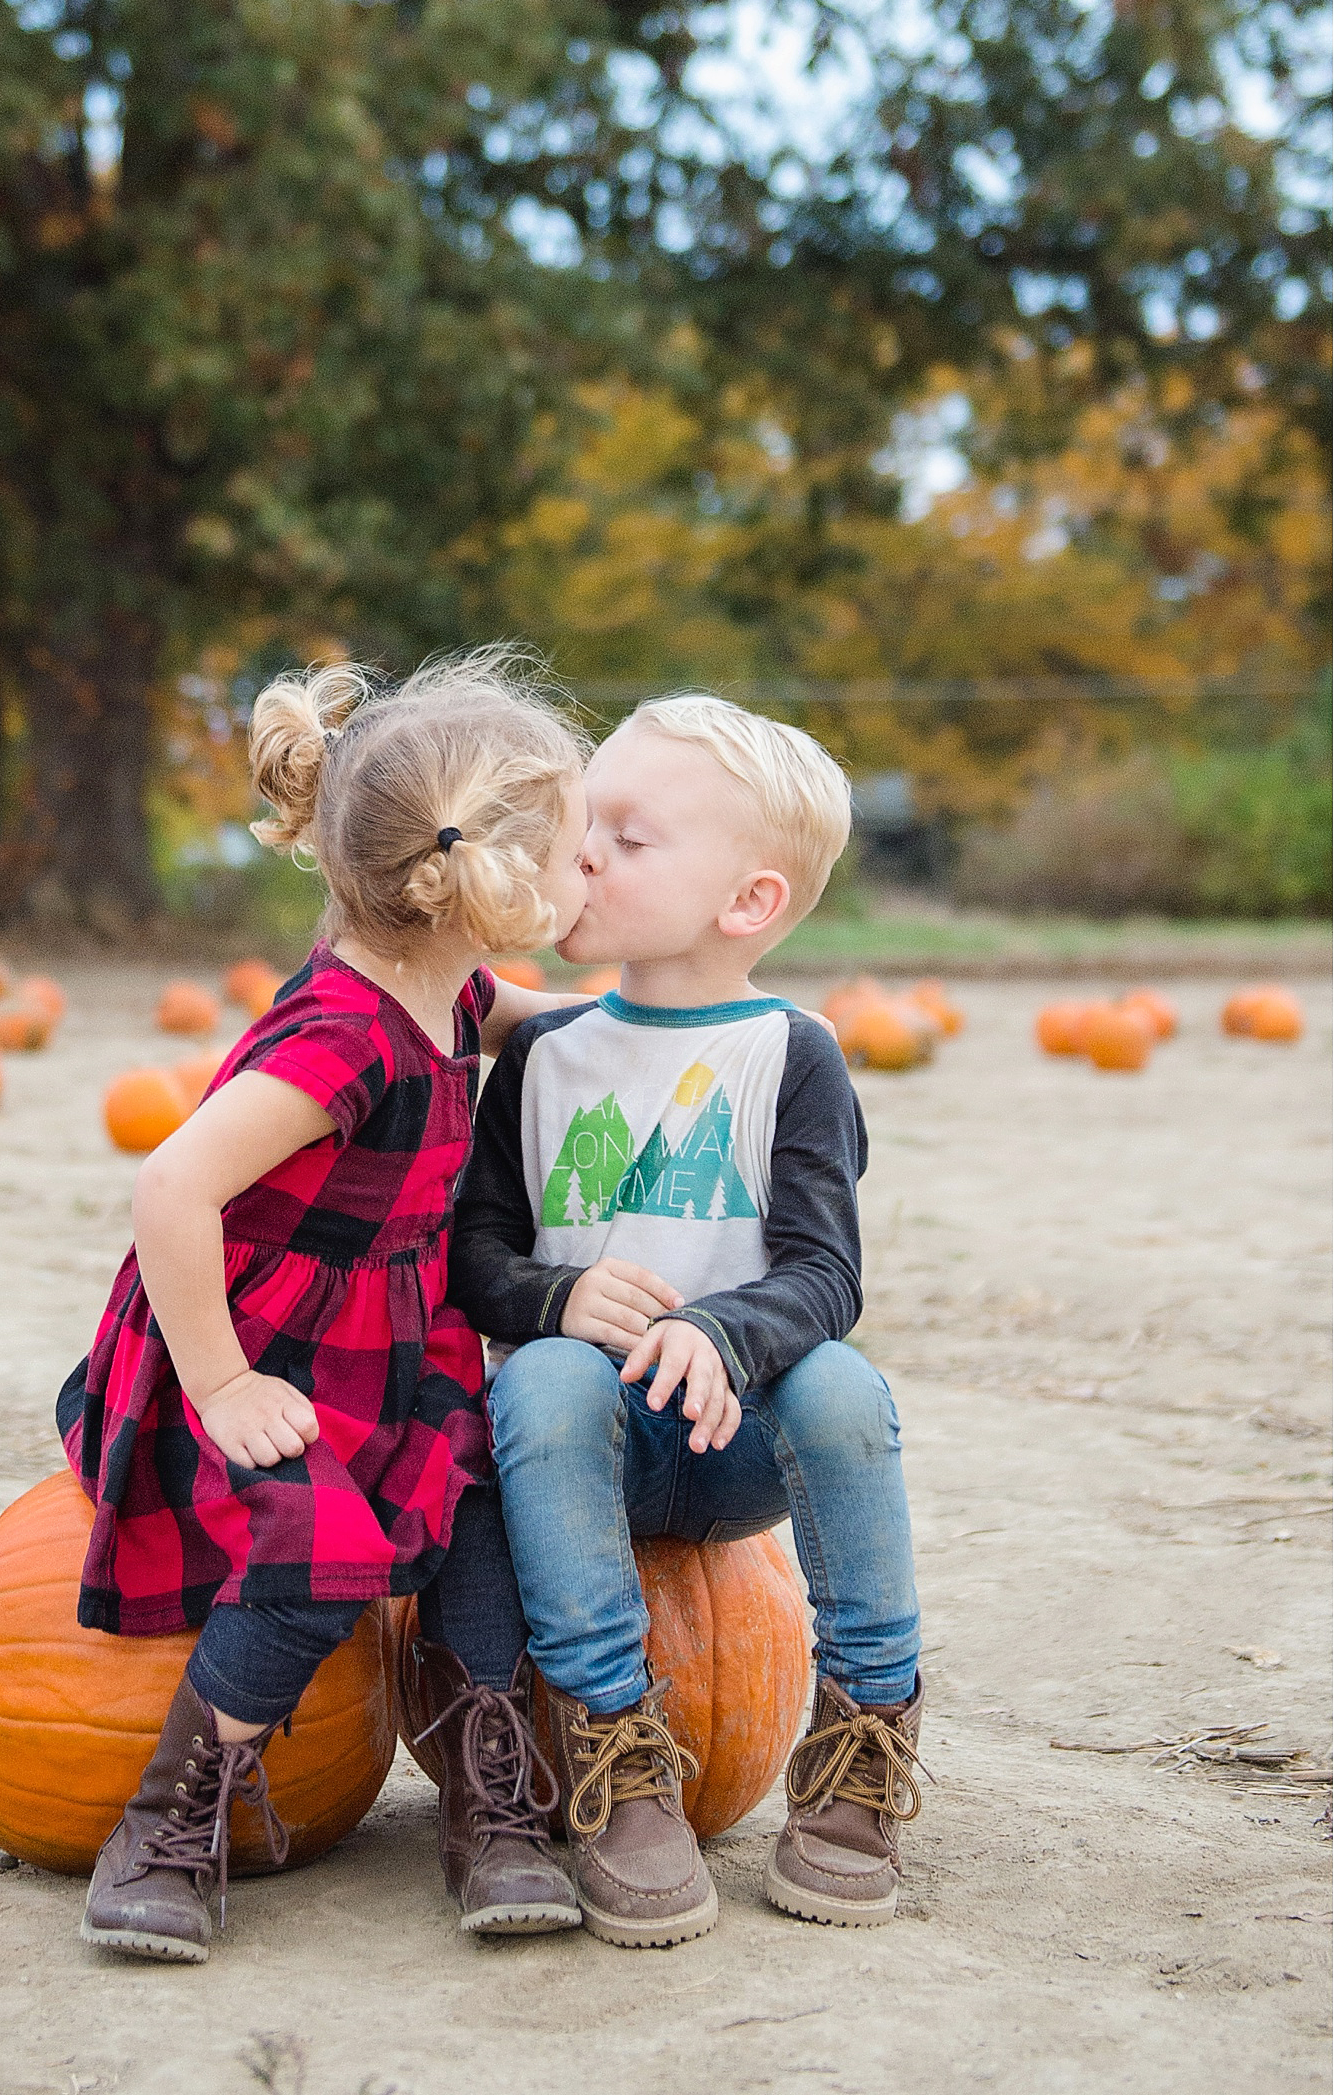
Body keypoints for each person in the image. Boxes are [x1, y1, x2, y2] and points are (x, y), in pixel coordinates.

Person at [59, 652, 591, 1962]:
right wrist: (226, 1383)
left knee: (480, 1520)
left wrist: (700, 1027)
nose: (589, 874)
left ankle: (490, 1797)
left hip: (397, 1347)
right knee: (313, 1555)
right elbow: (173, 1185)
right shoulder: (344, 1036)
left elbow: (552, 1018)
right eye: (578, 850)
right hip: (264, 1349)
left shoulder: (450, 982)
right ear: (487, 874)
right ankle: (167, 1818)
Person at [448, 693, 925, 1944]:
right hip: (578, 1452)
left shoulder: (794, 1052)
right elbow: (474, 1257)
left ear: (749, 902)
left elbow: (826, 1275)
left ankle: (867, 1731)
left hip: (738, 1442)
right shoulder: (542, 1056)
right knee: (541, 1375)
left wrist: (721, 1332)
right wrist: (556, 1299)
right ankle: (618, 1752)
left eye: (630, 835)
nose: (584, 851)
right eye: (581, 824)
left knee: (845, 1387)